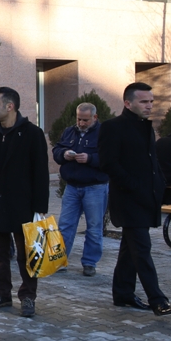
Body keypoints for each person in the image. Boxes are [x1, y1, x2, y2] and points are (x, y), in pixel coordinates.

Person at [99, 82, 171, 316]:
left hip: (147, 197)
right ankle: (158, 300)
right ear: (128, 103)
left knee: (130, 248)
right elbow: (108, 163)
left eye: (151, 101)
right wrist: (133, 186)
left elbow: (151, 161)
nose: (149, 106)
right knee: (142, 249)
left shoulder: (146, 127)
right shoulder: (113, 127)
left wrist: (160, 183)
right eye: (144, 101)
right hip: (128, 199)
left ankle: (123, 293)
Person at [0, 87, 49, 318]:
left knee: (27, 254)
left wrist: (40, 208)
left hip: (22, 203)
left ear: (10, 106)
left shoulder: (32, 133)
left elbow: (41, 172)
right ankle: (2, 293)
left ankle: (28, 296)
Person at [52, 103, 108, 277]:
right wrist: (64, 154)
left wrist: (90, 158)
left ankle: (90, 263)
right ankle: (60, 260)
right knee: (65, 225)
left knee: (94, 227)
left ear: (95, 117)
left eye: (85, 120)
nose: (81, 123)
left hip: (95, 187)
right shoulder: (70, 131)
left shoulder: (104, 133)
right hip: (72, 186)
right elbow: (57, 150)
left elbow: (111, 158)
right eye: (79, 119)